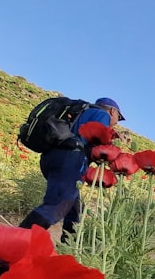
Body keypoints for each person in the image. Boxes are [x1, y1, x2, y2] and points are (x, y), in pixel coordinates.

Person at [19, 97, 125, 238]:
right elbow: (97, 142)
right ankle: (15, 242)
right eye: (118, 117)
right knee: (56, 206)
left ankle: (68, 248)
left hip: (50, 157)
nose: (116, 122)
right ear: (112, 111)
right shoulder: (102, 115)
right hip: (70, 159)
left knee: (73, 211)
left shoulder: (82, 112)